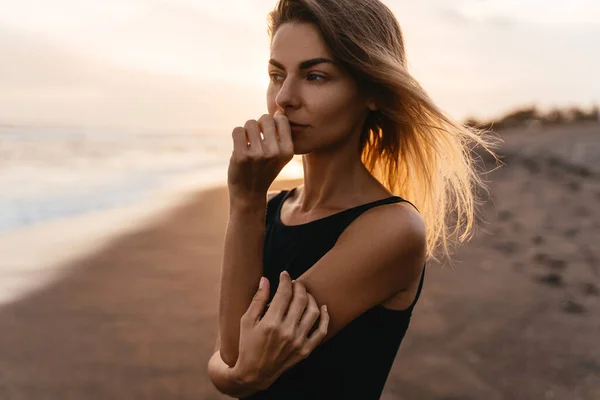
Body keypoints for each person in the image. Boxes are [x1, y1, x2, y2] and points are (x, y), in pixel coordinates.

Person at [208, 0, 501, 398]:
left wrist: (244, 202)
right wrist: (230, 375)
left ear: (372, 91)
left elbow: (236, 355)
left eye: (315, 76)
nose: (284, 98)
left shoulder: (393, 229)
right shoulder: (274, 208)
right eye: (277, 74)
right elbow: (234, 363)